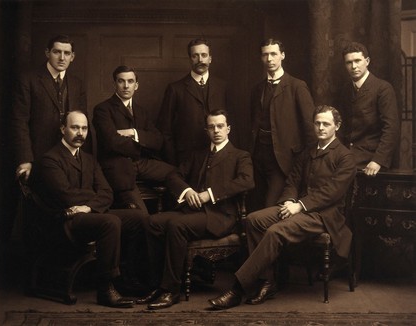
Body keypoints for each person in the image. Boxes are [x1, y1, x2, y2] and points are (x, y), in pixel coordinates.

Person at [209, 105, 356, 310]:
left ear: (337, 126)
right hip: (298, 208)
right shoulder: (308, 152)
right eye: (317, 123)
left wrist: (300, 205)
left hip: (325, 216)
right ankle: (267, 281)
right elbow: (293, 181)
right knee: (253, 219)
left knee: (276, 231)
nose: (321, 127)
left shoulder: (345, 157)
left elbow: (332, 193)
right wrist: (289, 200)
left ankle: (238, 289)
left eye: (326, 124)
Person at [136, 109, 254, 310]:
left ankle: (171, 290)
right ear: (206, 130)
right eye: (211, 127)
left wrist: (210, 194)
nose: (216, 130)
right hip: (192, 213)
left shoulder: (240, 156)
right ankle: (156, 284)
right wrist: (187, 191)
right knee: (151, 222)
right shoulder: (198, 154)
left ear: (228, 129)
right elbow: (173, 176)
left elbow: (246, 181)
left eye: (220, 126)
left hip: (220, 216)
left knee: (176, 225)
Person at [32, 110, 148, 308]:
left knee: (139, 217)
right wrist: (94, 202)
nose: (80, 133)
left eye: (84, 128)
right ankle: (106, 288)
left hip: (86, 213)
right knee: (110, 222)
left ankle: (127, 277)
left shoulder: (89, 159)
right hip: (65, 220)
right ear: (63, 129)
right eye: (75, 127)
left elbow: (107, 192)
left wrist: (88, 207)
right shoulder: (50, 160)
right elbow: (65, 196)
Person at [93, 65, 175, 210]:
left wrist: (133, 132)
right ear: (114, 84)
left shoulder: (141, 111)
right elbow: (112, 142)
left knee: (177, 173)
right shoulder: (102, 109)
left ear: (136, 85)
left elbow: (158, 140)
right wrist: (142, 144)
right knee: (141, 215)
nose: (126, 86)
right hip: (119, 167)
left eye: (130, 81)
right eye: (121, 81)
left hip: (142, 163)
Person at [250, 38, 315, 210]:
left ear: (282, 56)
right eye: (265, 55)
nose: (269, 59)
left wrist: (305, 162)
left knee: (269, 208)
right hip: (258, 157)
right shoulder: (257, 89)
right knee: (255, 206)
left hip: (284, 160)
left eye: (273, 54)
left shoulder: (297, 86)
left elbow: (310, 128)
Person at [12, 34, 87, 181]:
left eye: (67, 53)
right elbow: (19, 122)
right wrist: (25, 159)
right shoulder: (28, 80)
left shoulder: (77, 84)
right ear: (47, 53)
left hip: (68, 156)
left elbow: (83, 123)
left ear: (72, 56)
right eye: (57, 52)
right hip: (38, 155)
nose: (62, 58)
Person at [157, 38, 227, 165]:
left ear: (210, 58)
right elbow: (164, 129)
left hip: (220, 158)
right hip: (186, 160)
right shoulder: (175, 89)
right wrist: (173, 161)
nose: (200, 60)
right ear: (190, 59)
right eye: (195, 56)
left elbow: (233, 125)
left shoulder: (223, 87)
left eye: (204, 55)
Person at [337, 41, 400, 176]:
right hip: (348, 154)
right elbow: (342, 127)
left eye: (357, 61)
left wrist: (378, 161)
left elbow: (391, 128)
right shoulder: (345, 90)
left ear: (367, 61)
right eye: (349, 62)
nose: (354, 66)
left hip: (371, 157)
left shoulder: (382, 88)